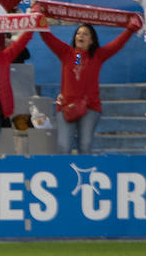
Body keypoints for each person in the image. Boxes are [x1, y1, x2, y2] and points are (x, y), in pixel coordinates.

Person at [39, 20, 139, 155]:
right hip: (66, 107)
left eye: (85, 34)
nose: (80, 36)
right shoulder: (67, 53)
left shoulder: (98, 56)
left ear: (92, 40)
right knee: (63, 147)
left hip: (90, 108)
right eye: (78, 33)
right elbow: (47, 37)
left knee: (85, 145)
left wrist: (130, 29)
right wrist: (39, 18)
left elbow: (117, 44)